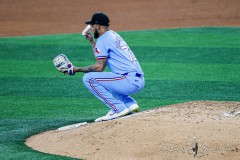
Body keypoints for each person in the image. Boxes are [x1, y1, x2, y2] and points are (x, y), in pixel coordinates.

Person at [73, 12, 145, 122]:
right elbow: (101, 61)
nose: (91, 28)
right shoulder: (112, 35)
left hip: (129, 80)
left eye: (92, 26)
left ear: (98, 26)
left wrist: (76, 69)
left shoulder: (103, 40)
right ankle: (129, 104)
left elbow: (99, 67)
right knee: (108, 78)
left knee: (89, 78)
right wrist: (93, 43)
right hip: (137, 79)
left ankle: (118, 108)